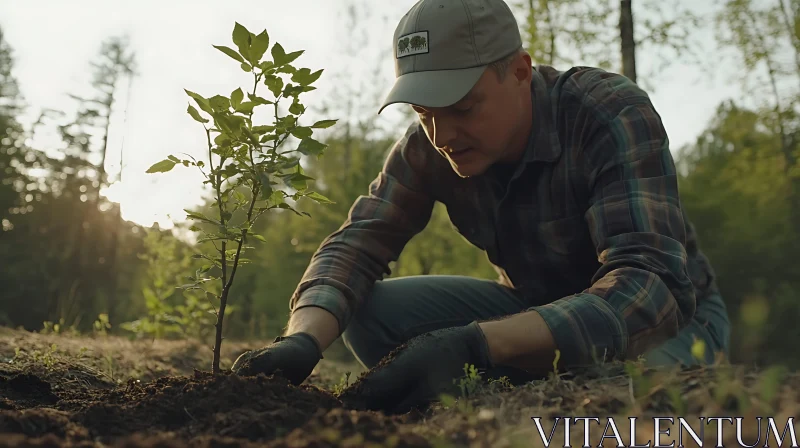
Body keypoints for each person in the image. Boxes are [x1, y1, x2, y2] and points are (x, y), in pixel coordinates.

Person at [232, 0, 731, 413]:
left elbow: (651, 287)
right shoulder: (426, 147)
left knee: (630, 390)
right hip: (530, 307)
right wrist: (303, 339)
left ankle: (518, 373)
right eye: (425, 114)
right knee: (369, 313)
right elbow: (358, 242)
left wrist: (477, 345)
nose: (443, 136)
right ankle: (512, 371)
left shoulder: (607, 112)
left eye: (463, 108)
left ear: (519, 70)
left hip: (668, 320)